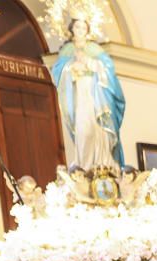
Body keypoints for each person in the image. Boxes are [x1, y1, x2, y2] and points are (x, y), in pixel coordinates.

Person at [50, 18, 125, 170]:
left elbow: (108, 68)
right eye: (77, 26)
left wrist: (91, 63)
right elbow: (58, 72)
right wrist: (71, 67)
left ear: (88, 30)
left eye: (84, 27)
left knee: (99, 129)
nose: (80, 30)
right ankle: (85, 166)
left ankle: (104, 163)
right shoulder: (67, 51)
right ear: (71, 29)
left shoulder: (95, 49)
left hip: (96, 94)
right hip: (79, 95)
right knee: (84, 130)